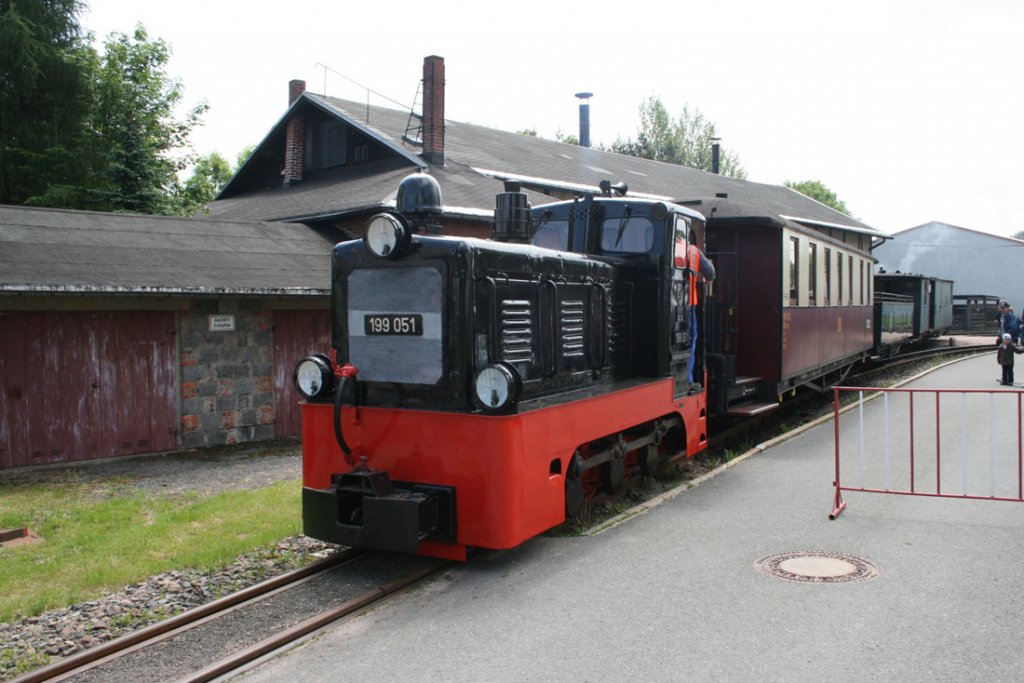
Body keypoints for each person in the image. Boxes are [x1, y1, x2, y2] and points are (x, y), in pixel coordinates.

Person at [675, 231, 716, 384]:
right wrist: (705, 279)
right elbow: (711, 273)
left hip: (668, 304)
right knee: (690, 339)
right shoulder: (692, 250)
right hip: (688, 303)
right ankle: (688, 378)